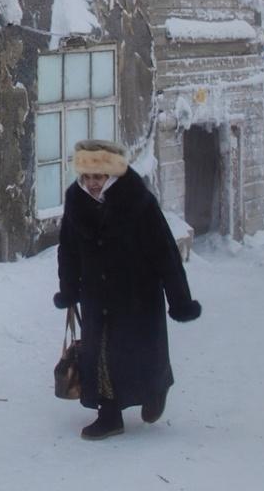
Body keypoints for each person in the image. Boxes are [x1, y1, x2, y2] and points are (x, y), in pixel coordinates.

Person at [54, 138, 201, 441]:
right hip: (95, 295)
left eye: (99, 177)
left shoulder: (139, 202)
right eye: (87, 177)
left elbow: (166, 253)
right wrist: (68, 290)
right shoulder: (76, 202)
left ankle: (156, 390)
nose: (93, 183)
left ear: (112, 175)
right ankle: (109, 417)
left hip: (138, 294)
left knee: (141, 353)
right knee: (100, 355)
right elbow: (67, 251)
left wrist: (180, 300)